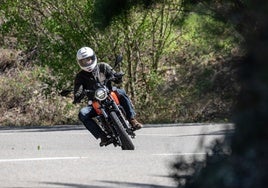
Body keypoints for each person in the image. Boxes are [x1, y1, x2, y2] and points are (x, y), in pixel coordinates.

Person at [72, 47, 143, 146]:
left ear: (93, 58)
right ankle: (102, 136)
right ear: (80, 62)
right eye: (84, 61)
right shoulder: (80, 76)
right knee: (82, 114)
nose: (87, 62)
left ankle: (132, 120)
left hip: (109, 94)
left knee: (121, 92)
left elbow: (114, 76)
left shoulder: (103, 67)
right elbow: (78, 89)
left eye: (88, 59)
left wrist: (117, 76)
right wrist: (77, 95)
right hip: (95, 102)